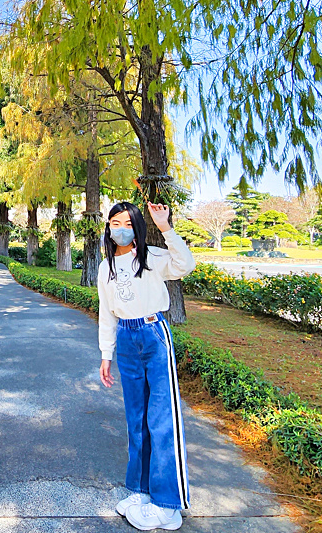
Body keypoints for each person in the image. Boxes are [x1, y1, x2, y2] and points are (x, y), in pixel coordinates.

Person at [97, 200, 198, 531]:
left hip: (153, 335)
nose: (120, 228)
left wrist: (165, 226)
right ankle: (142, 492)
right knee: (136, 420)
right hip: (126, 341)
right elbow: (106, 314)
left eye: (127, 222)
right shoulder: (105, 267)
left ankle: (168, 504)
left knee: (161, 418)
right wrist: (106, 354)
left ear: (136, 227)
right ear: (108, 227)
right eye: (115, 223)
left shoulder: (152, 257)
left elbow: (185, 264)